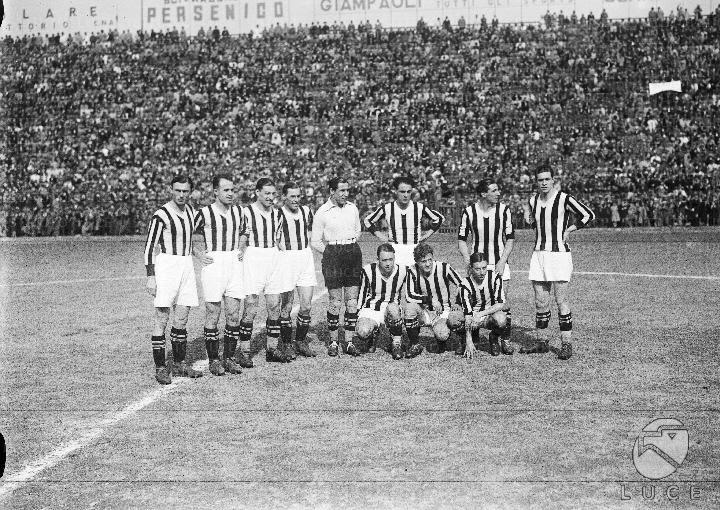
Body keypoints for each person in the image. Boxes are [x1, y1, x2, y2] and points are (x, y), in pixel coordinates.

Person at [522, 162, 595, 360]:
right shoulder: (533, 200)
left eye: (547, 179)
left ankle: (566, 344)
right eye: (540, 180)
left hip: (559, 255)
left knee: (561, 300)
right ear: (536, 182)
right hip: (539, 254)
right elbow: (533, 223)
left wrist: (570, 229)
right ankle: (542, 343)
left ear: (553, 180)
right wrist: (527, 216)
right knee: (540, 301)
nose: (544, 183)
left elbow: (589, 215)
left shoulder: (564, 199)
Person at [143, 175, 203, 385]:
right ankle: (161, 368)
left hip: (186, 265)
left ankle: (179, 364)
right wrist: (151, 276)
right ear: (171, 190)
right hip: (167, 266)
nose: (181, 194)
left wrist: (197, 253)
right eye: (178, 190)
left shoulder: (191, 213)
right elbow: (150, 247)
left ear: (190, 192)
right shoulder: (161, 214)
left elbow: (186, 240)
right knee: (162, 317)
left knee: (182, 318)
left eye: (185, 191)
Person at [193, 173, 246, 376]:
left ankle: (229, 358)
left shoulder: (240, 212)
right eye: (226, 190)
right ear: (215, 192)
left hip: (234, 262)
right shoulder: (204, 213)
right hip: (214, 263)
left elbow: (245, 232)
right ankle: (214, 360)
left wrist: (241, 248)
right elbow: (186, 232)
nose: (230, 193)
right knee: (213, 313)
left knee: (233, 313)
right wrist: (198, 253)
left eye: (232, 190)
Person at [237, 177, 292, 364]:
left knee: (274, 304)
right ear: (257, 193)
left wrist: (285, 256)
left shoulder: (278, 214)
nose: (270, 197)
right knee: (251, 305)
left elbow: (277, 239)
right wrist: (239, 254)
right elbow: (243, 236)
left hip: (273, 257)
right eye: (266, 193)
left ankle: (272, 349)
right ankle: (244, 352)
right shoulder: (246, 212)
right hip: (254, 257)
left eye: (273, 194)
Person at [457, 179, 515, 352]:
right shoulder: (469, 212)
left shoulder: (504, 210)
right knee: (475, 302)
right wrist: (468, 260)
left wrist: (502, 261)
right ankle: (472, 336)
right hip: (477, 265)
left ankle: (500, 338)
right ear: (483, 193)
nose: (498, 193)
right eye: (494, 190)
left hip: (498, 263)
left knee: (502, 304)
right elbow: (461, 240)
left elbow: (510, 239)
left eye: (498, 190)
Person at [310, 176, 363, 357]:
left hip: (352, 253)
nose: (345, 194)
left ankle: (349, 341)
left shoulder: (352, 208)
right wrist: (330, 253)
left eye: (347, 190)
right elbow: (315, 240)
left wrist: (349, 246)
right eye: (341, 190)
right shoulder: (322, 212)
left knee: (352, 300)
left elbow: (358, 231)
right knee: (335, 301)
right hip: (333, 254)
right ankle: (333, 341)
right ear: (332, 191)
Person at [355, 243, 423, 359]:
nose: (388, 263)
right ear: (378, 259)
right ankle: (372, 334)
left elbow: (420, 272)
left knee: (393, 307)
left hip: (392, 310)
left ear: (394, 258)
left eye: (390, 259)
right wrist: (357, 316)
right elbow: (361, 296)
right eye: (384, 260)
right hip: (372, 310)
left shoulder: (403, 270)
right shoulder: (368, 270)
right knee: (363, 331)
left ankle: (396, 343)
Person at [363, 176, 445, 268]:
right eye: (402, 192)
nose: (406, 195)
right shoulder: (387, 208)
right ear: (395, 191)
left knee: (414, 280)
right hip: (395, 250)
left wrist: (427, 235)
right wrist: (381, 236)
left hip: (415, 249)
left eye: (409, 192)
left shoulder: (419, 207)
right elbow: (368, 221)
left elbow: (439, 218)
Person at [276, 181, 318, 359]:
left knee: (306, 305)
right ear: (284, 196)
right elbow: (274, 237)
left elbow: (316, 230)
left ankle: (300, 341)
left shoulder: (307, 211)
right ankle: (286, 343)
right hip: (286, 259)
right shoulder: (278, 213)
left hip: (305, 258)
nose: (295, 200)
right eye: (292, 196)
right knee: (286, 306)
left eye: (298, 196)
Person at [404, 242, 464, 355]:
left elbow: (463, 285)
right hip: (424, 311)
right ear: (416, 262)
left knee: (441, 334)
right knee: (409, 308)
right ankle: (415, 344)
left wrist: (458, 302)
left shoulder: (444, 267)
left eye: (430, 259)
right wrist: (430, 300)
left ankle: (443, 340)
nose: (428, 264)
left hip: (442, 311)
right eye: (423, 261)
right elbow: (409, 295)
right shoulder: (412, 271)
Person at [447, 252, 508, 359]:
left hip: (488, 315)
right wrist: (468, 340)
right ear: (471, 268)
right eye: (477, 269)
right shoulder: (464, 285)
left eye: (484, 268)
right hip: (471, 317)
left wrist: (479, 314)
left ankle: (494, 338)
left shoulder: (495, 278)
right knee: (452, 319)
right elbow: (467, 314)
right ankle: (464, 340)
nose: (482, 272)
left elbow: (500, 304)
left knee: (502, 319)